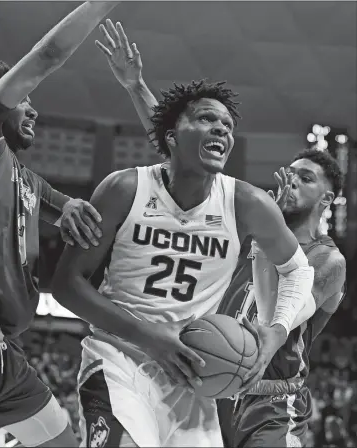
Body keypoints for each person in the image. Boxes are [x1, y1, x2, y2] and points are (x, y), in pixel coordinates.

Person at [52, 21, 316, 447]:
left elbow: (299, 273)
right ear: (171, 138)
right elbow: (66, 284)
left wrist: (276, 332)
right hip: (121, 362)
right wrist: (146, 335)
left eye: (228, 125)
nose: (222, 130)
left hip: (195, 377)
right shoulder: (124, 188)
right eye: (207, 119)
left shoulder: (247, 203)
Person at [0, 2, 119, 446]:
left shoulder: (24, 178)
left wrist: (76, 208)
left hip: (5, 352)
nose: (33, 110)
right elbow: (46, 57)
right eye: (24, 100)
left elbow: (66, 206)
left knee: (61, 441)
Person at [216, 149, 346, 447]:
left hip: (271, 403)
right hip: (216, 387)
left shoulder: (327, 259)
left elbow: (277, 320)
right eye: (290, 173)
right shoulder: (247, 237)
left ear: (325, 199)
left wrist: (266, 232)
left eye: (305, 178)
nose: (292, 180)